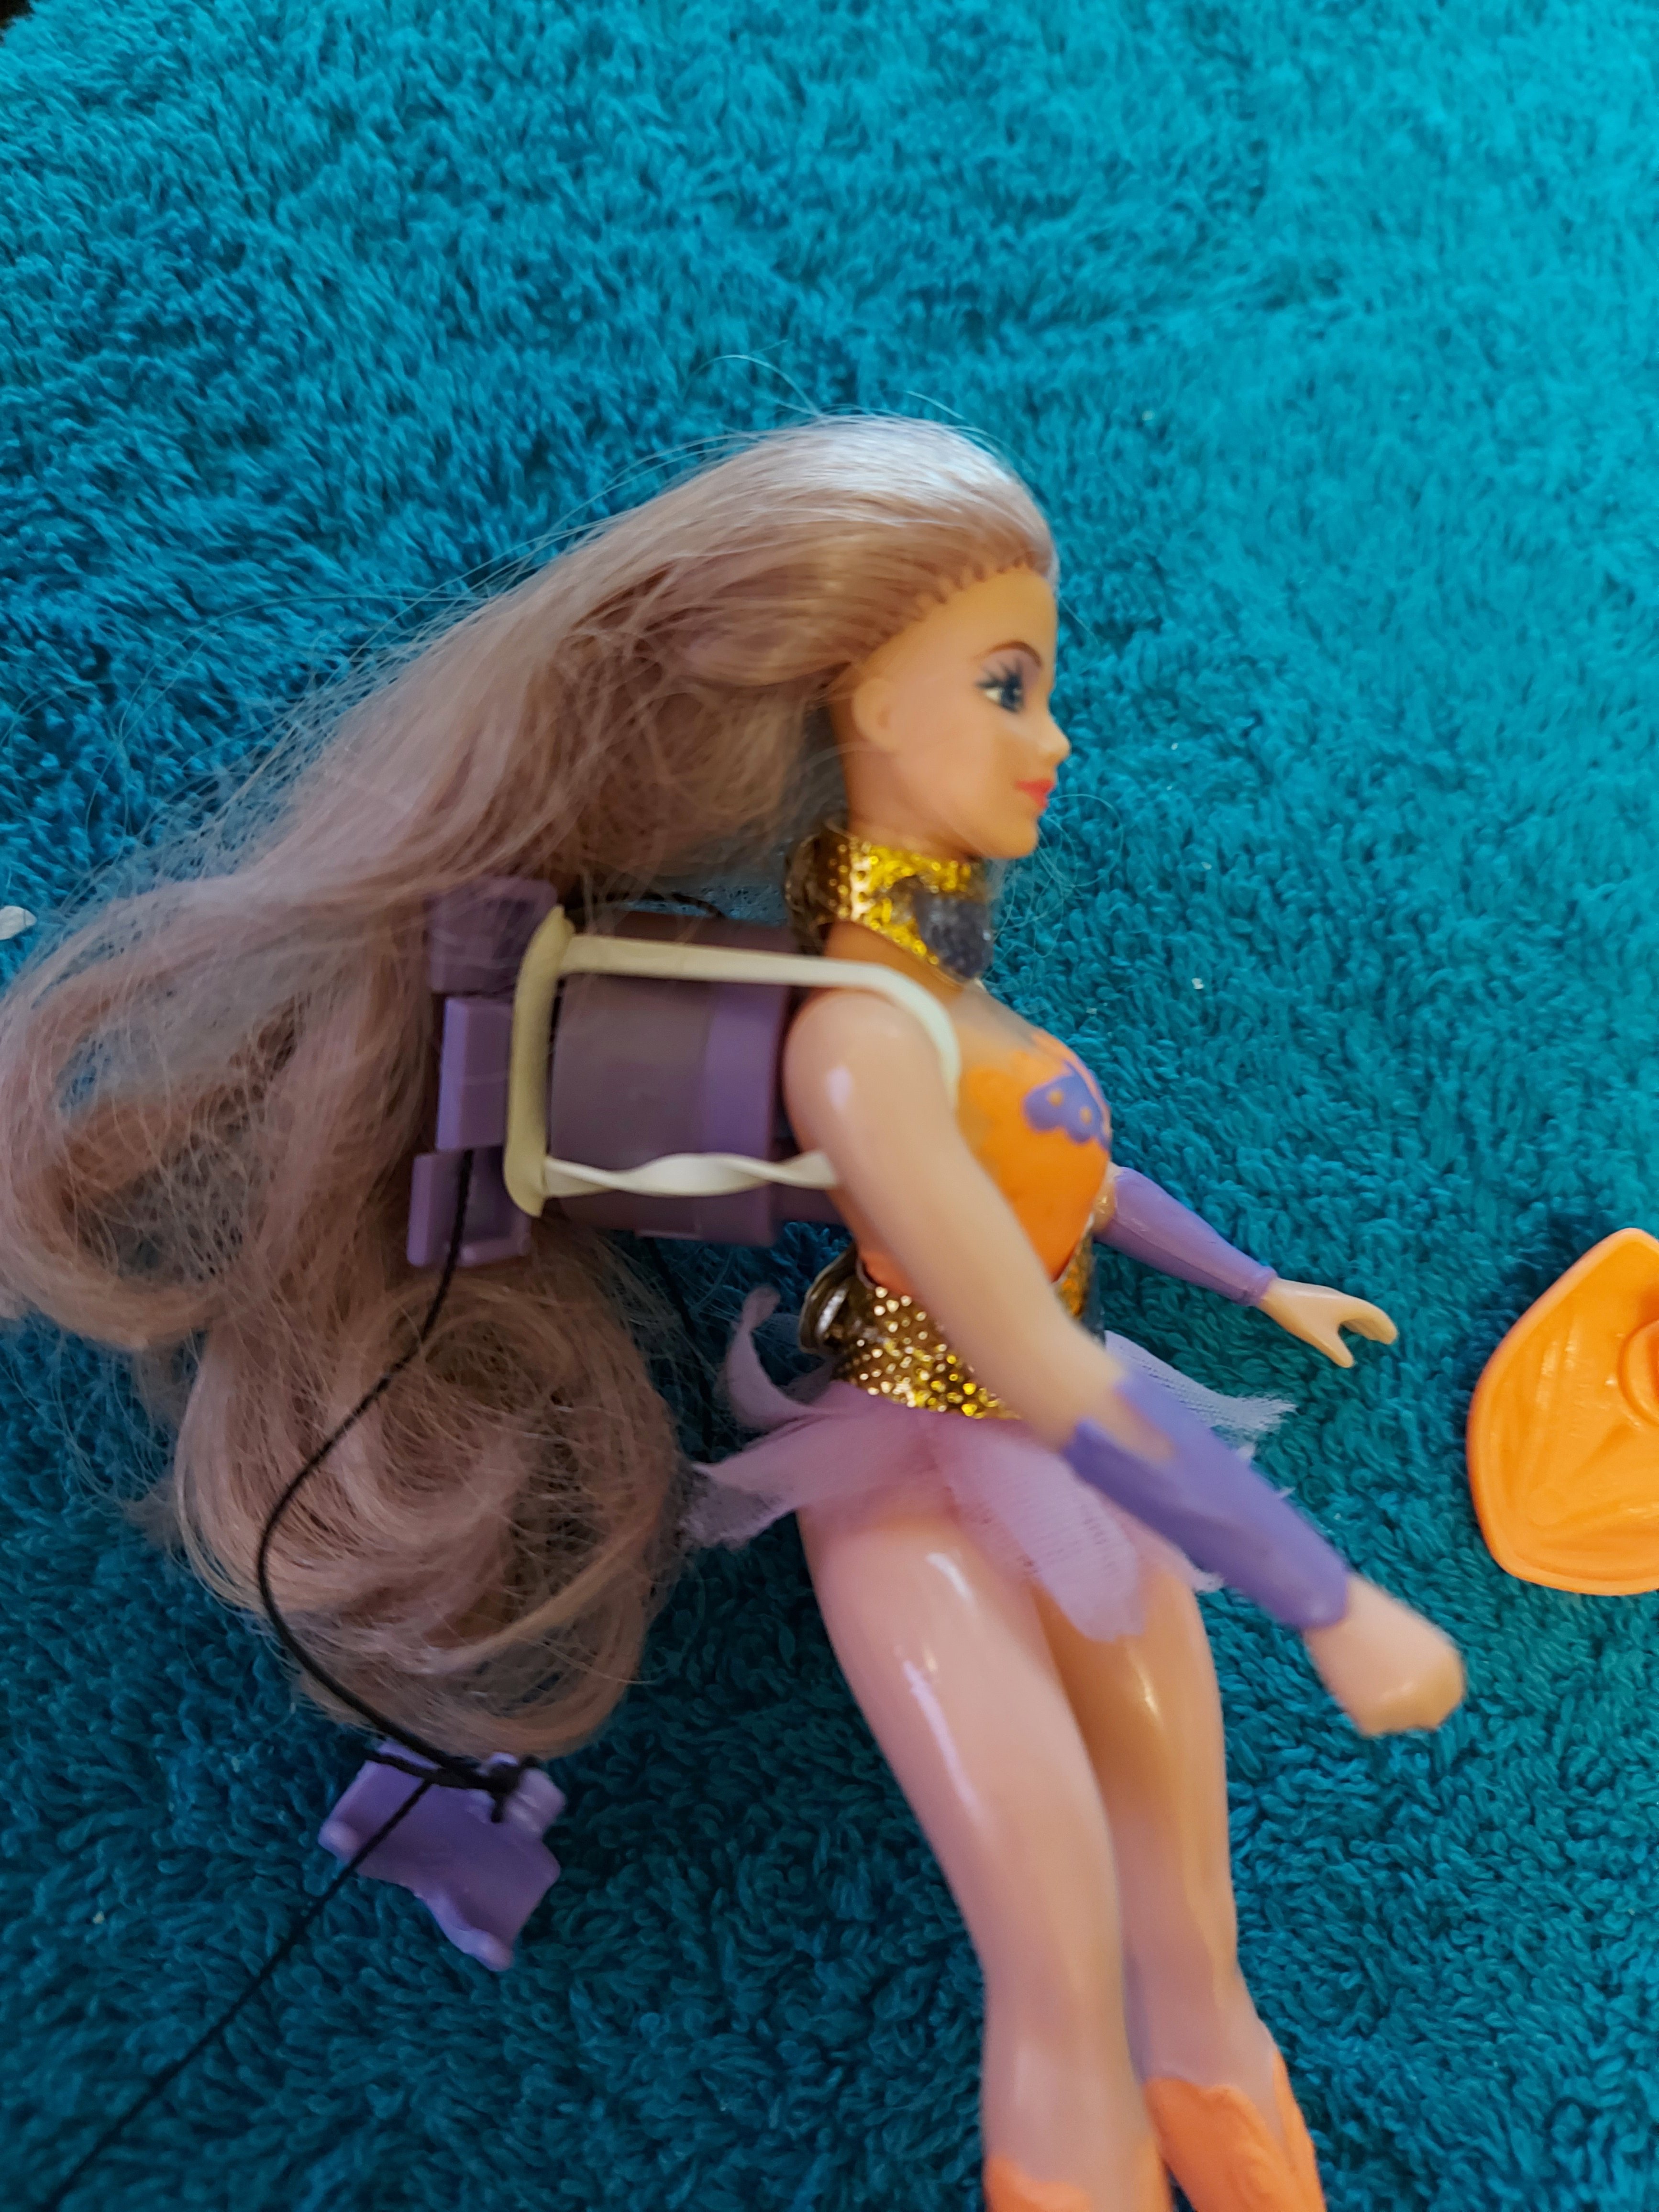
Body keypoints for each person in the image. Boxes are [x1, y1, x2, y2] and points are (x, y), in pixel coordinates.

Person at [0, 417, 1462, 2212]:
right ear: (863, 700)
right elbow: (1028, 1358)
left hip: (1075, 1459)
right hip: (920, 1487)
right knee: (1059, 1958)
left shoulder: (953, 1012)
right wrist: (1326, 1599)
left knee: (1194, 1941)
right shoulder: (856, 1044)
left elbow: (1075, 1184)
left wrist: (1251, 1281)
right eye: (1005, 686)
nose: (1055, 739)